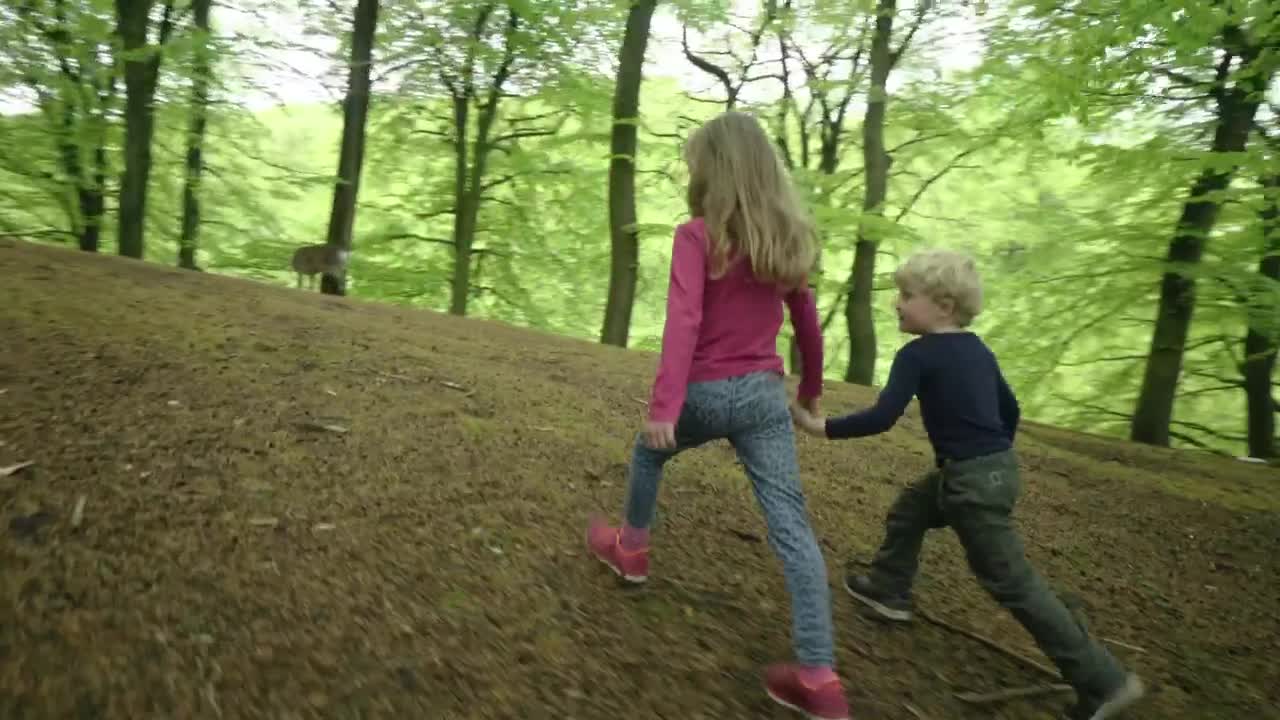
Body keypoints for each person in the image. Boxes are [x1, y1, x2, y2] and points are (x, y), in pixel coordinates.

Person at [789, 248, 1145, 720]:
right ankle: (889, 588)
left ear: (943, 305)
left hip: (971, 483)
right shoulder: (978, 349)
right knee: (913, 507)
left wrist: (821, 428)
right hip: (992, 470)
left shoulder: (916, 355)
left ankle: (1104, 682)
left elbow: (883, 416)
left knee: (1012, 582)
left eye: (907, 295)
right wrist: (990, 454)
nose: (897, 304)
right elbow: (1011, 409)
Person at [585, 110, 850, 720]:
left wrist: (665, 407)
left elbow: (684, 321)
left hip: (704, 392)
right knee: (791, 525)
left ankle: (632, 548)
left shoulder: (697, 235)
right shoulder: (787, 237)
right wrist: (810, 387)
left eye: (695, 164)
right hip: (761, 396)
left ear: (712, 171)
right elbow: (805, 320)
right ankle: (819, 676)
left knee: (650, 452)